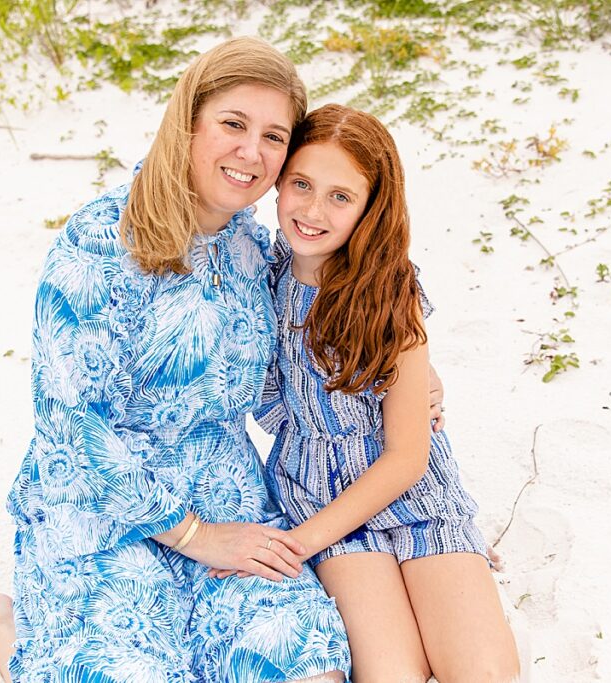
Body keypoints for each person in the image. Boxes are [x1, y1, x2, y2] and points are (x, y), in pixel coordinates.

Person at [0, 37, 351, 683]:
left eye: (274, 136)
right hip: (101, 510)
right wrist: (192, 534)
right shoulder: (100, 240)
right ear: (188, 123)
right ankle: (2, 629)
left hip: (228, 501)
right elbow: (68, 421)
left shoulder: (257, 251)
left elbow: (312, 347)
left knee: (309, 668)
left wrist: (412, 373)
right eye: (232, 124)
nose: (252, 152)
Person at [218, 103, 521, 682]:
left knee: (485, 674)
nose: (312, 210)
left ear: (369, 207)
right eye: (301, 185)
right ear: (278, 182)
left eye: (340, 196)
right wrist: (305, 541)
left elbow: (408, 456)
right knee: (392, 676)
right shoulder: (257, 272)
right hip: (318, 491)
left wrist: (297, 544)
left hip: (412, 491)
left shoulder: (389, 288)